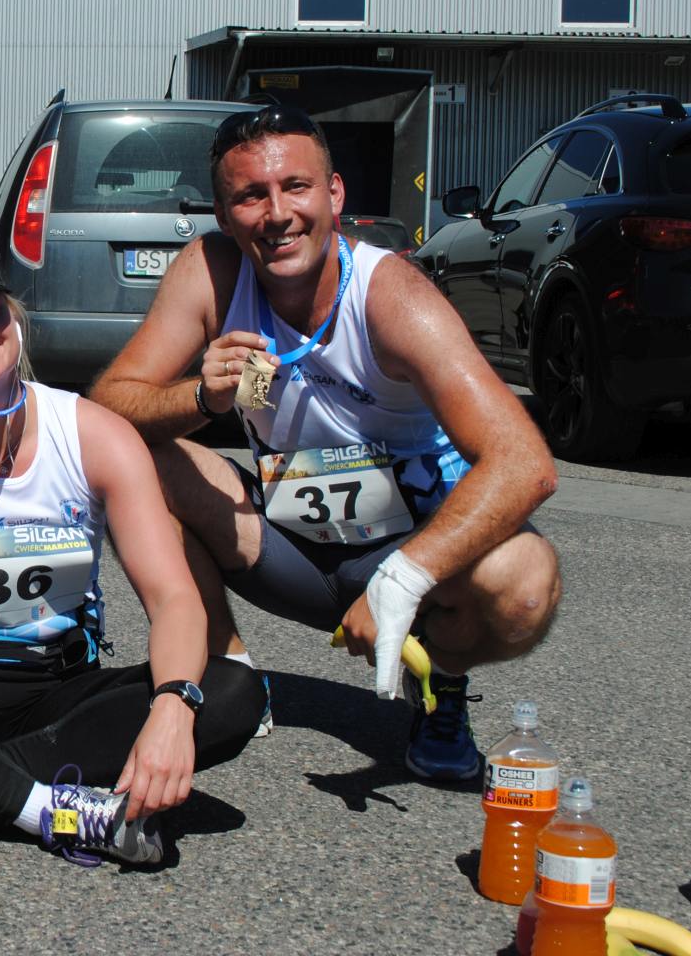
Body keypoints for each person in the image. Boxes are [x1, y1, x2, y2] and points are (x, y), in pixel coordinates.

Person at [90, 105, 561, 781]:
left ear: (334, 195)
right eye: (250, 196)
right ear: (223, 216)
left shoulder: (392, 296)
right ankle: (228, 672)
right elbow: (108, 406)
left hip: (408, 552)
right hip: (289, 548)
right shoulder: (212, 270)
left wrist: (405, 577)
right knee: (133, 461)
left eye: (296, 187)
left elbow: (524, 463)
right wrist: (200, 397)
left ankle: (442, 685)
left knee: (524, 580)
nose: (277, 214)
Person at [0, 250, 265, 867]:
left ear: (14, 320)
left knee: (232, 692)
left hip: (59, 693)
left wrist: (173, 708)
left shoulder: (92, 433)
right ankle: (51, 806)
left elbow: (174, 597)